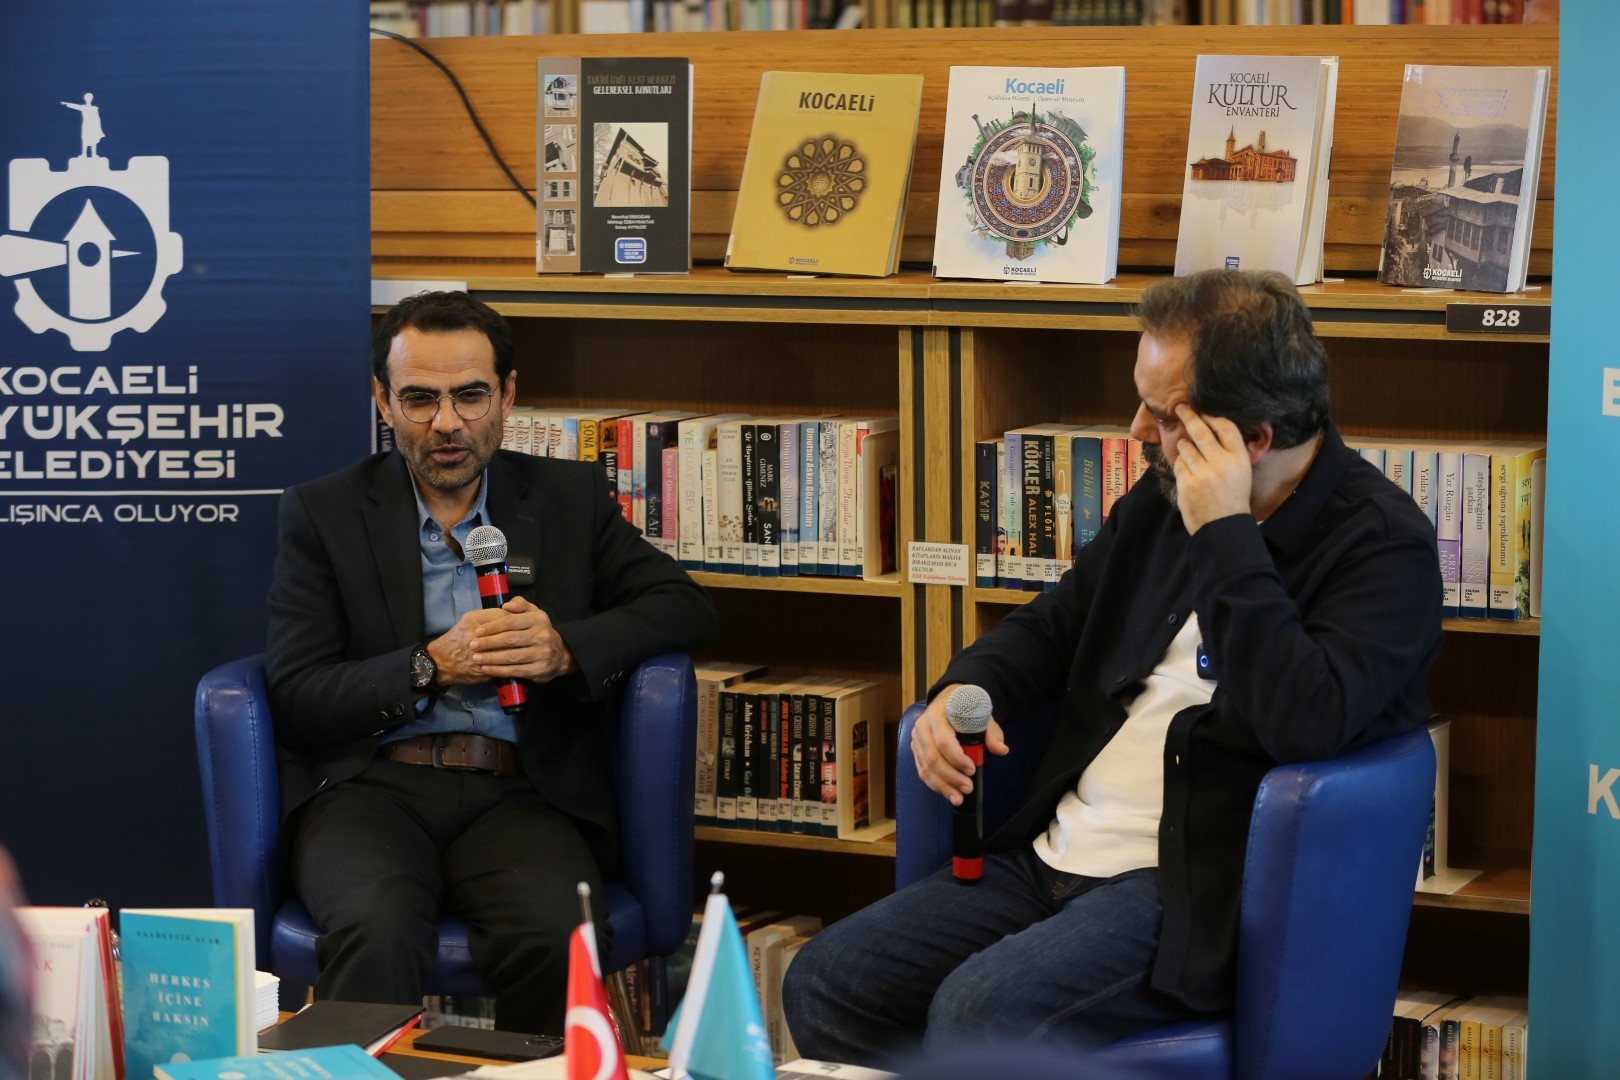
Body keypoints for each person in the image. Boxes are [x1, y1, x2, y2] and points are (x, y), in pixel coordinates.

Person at [782, 269, 1443, 1062]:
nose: (1136, 431)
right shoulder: (1157, 503)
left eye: (1162, 416)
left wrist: (1225, 533)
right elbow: (1056, 624)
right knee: (827, 979)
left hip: (1190, 886)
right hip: (1053, 850)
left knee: (978, 1012)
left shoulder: (1384, 547)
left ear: (1251, 440)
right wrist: (965, 687)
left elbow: (1303, 720)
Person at [265, 291, 716, 1034]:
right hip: (370, 788)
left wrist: (564, 649)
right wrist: (428, 666)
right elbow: (296, 693)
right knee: (378, 928)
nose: (447, 423)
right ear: (382, 400)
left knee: (558, 936)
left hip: (521, 789)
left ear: (506, 395)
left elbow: (685, 606)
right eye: (419, 399)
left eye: (469, 396)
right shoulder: (325, 513)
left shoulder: (567, 499)